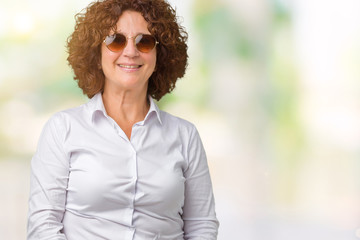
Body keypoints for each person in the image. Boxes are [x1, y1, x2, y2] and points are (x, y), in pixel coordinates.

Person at [27, 0, 219, 239]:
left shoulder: (185, 135)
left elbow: (202, 226)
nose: (130, 51)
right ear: (96, 52)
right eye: (115, 40)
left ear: (161, 54)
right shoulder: (62, 129)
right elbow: (43, 226)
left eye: (145, 41)